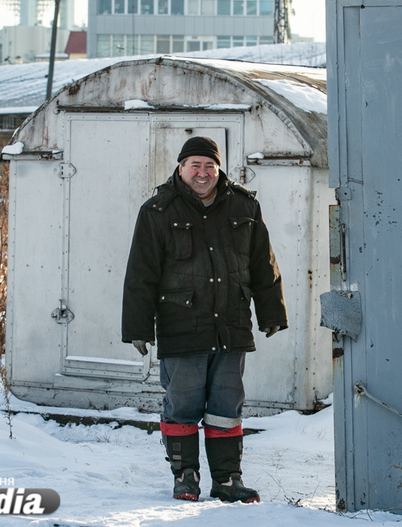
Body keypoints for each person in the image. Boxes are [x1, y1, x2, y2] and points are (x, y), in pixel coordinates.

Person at [122, 136, 288, 503]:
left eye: (209, 166)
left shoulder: (244, 205)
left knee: (227, 406)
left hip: (231, 324)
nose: (202, 173)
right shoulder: (158, 211)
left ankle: (228, 480)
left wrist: (272, 311)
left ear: (218, 169)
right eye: (195, 165)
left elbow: (263, 263)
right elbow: (141, 273)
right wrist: (137, 327)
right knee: (182, 405)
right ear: (181, 168)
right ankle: (186, 476)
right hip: (181, 326)